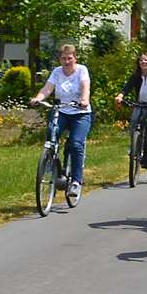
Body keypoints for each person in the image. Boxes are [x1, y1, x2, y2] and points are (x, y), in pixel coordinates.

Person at [30, 44, 94, 200]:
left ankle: (77, 182)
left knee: (76, 144)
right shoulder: (57, 72)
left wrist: (85, 100)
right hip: (62, 111)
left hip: (80, 112)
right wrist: (38, 98)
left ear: (75, 58)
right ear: (59, 59)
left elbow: (86, 86)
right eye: (64, 59)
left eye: (69, 58)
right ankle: (50, 164)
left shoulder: (81, 70)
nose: (66, 62)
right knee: (52, 133)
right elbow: (48, 88)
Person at [115, 52, 147, 173]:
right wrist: (120, 95)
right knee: (134, 124)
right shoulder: (136, 76)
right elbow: (127, 88)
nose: (143, 63)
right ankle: (137, 149)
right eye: (141, 61)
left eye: (146, 60)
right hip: (141, 104)